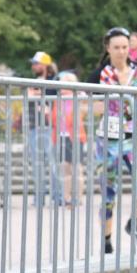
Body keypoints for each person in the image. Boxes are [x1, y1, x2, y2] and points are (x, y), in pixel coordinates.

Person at [95, 27, 137, 254]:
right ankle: (106, 240)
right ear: (108, 49)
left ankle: (134, 223)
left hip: (132, 136)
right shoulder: (100, 73)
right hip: (108, 139)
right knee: (108, 192)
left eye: (125, 47)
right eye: (116, 47)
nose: (121, 51)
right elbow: (93, 105)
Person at [24, 50, 64, 207]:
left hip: (51, 127)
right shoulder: (34, 82)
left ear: (45, 65)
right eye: (33, 63)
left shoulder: (56, 80)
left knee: (54, 163)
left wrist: (42, 97)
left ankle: (58, 196)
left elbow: (58, 100)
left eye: (36, 63)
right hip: (35, 127)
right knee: (37, 164)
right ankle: (39, 198)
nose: (33, 66)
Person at [50, 72, 87, 207]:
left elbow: (84, 104)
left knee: (76, 168)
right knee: (64, 167)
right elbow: (53, 119)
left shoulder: (78, 97)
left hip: (75, 136)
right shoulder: (58, 99)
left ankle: (77, 197)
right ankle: (66, 197)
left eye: (65, 83)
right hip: (61, 135)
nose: (62, 86)